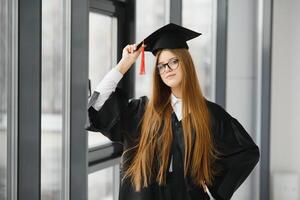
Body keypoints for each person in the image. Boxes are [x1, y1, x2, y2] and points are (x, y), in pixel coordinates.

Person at [86, 23, 260, 200]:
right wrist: (124, 64)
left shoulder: (209, 114)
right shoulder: (142, 111)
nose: (167, 69)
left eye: (173, 62)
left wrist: (214, 190)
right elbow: (97, 106)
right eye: (161, 66)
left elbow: (246, 152)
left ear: (186, 63)